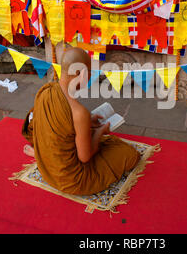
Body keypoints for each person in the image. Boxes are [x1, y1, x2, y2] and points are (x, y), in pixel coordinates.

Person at [21, 47, 140, 195]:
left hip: (48, 171)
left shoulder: (46, 91)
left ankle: (39, 156)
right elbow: (85, 157)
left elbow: (48, 128)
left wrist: (88, 121)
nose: (91, 77)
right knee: (129, 154)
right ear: (81, 74)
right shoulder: (79, 112)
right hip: (72, 180)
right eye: (90, 73)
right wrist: (100, 132)